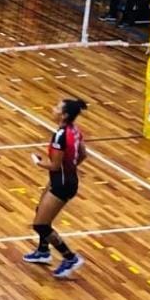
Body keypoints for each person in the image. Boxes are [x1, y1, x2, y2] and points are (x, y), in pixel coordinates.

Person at [23, 98, 89, 277]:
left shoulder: (60, 136)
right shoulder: (74, 130)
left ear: (64, 115)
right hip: (63, 179)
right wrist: (70, 168)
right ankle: (43, 251)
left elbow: (54, 165)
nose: (53, 109)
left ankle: (70, 258)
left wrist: (38, 162)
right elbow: (83, 154)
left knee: (41, 225)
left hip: (62, 184)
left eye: (57, 108)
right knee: (40, 210)